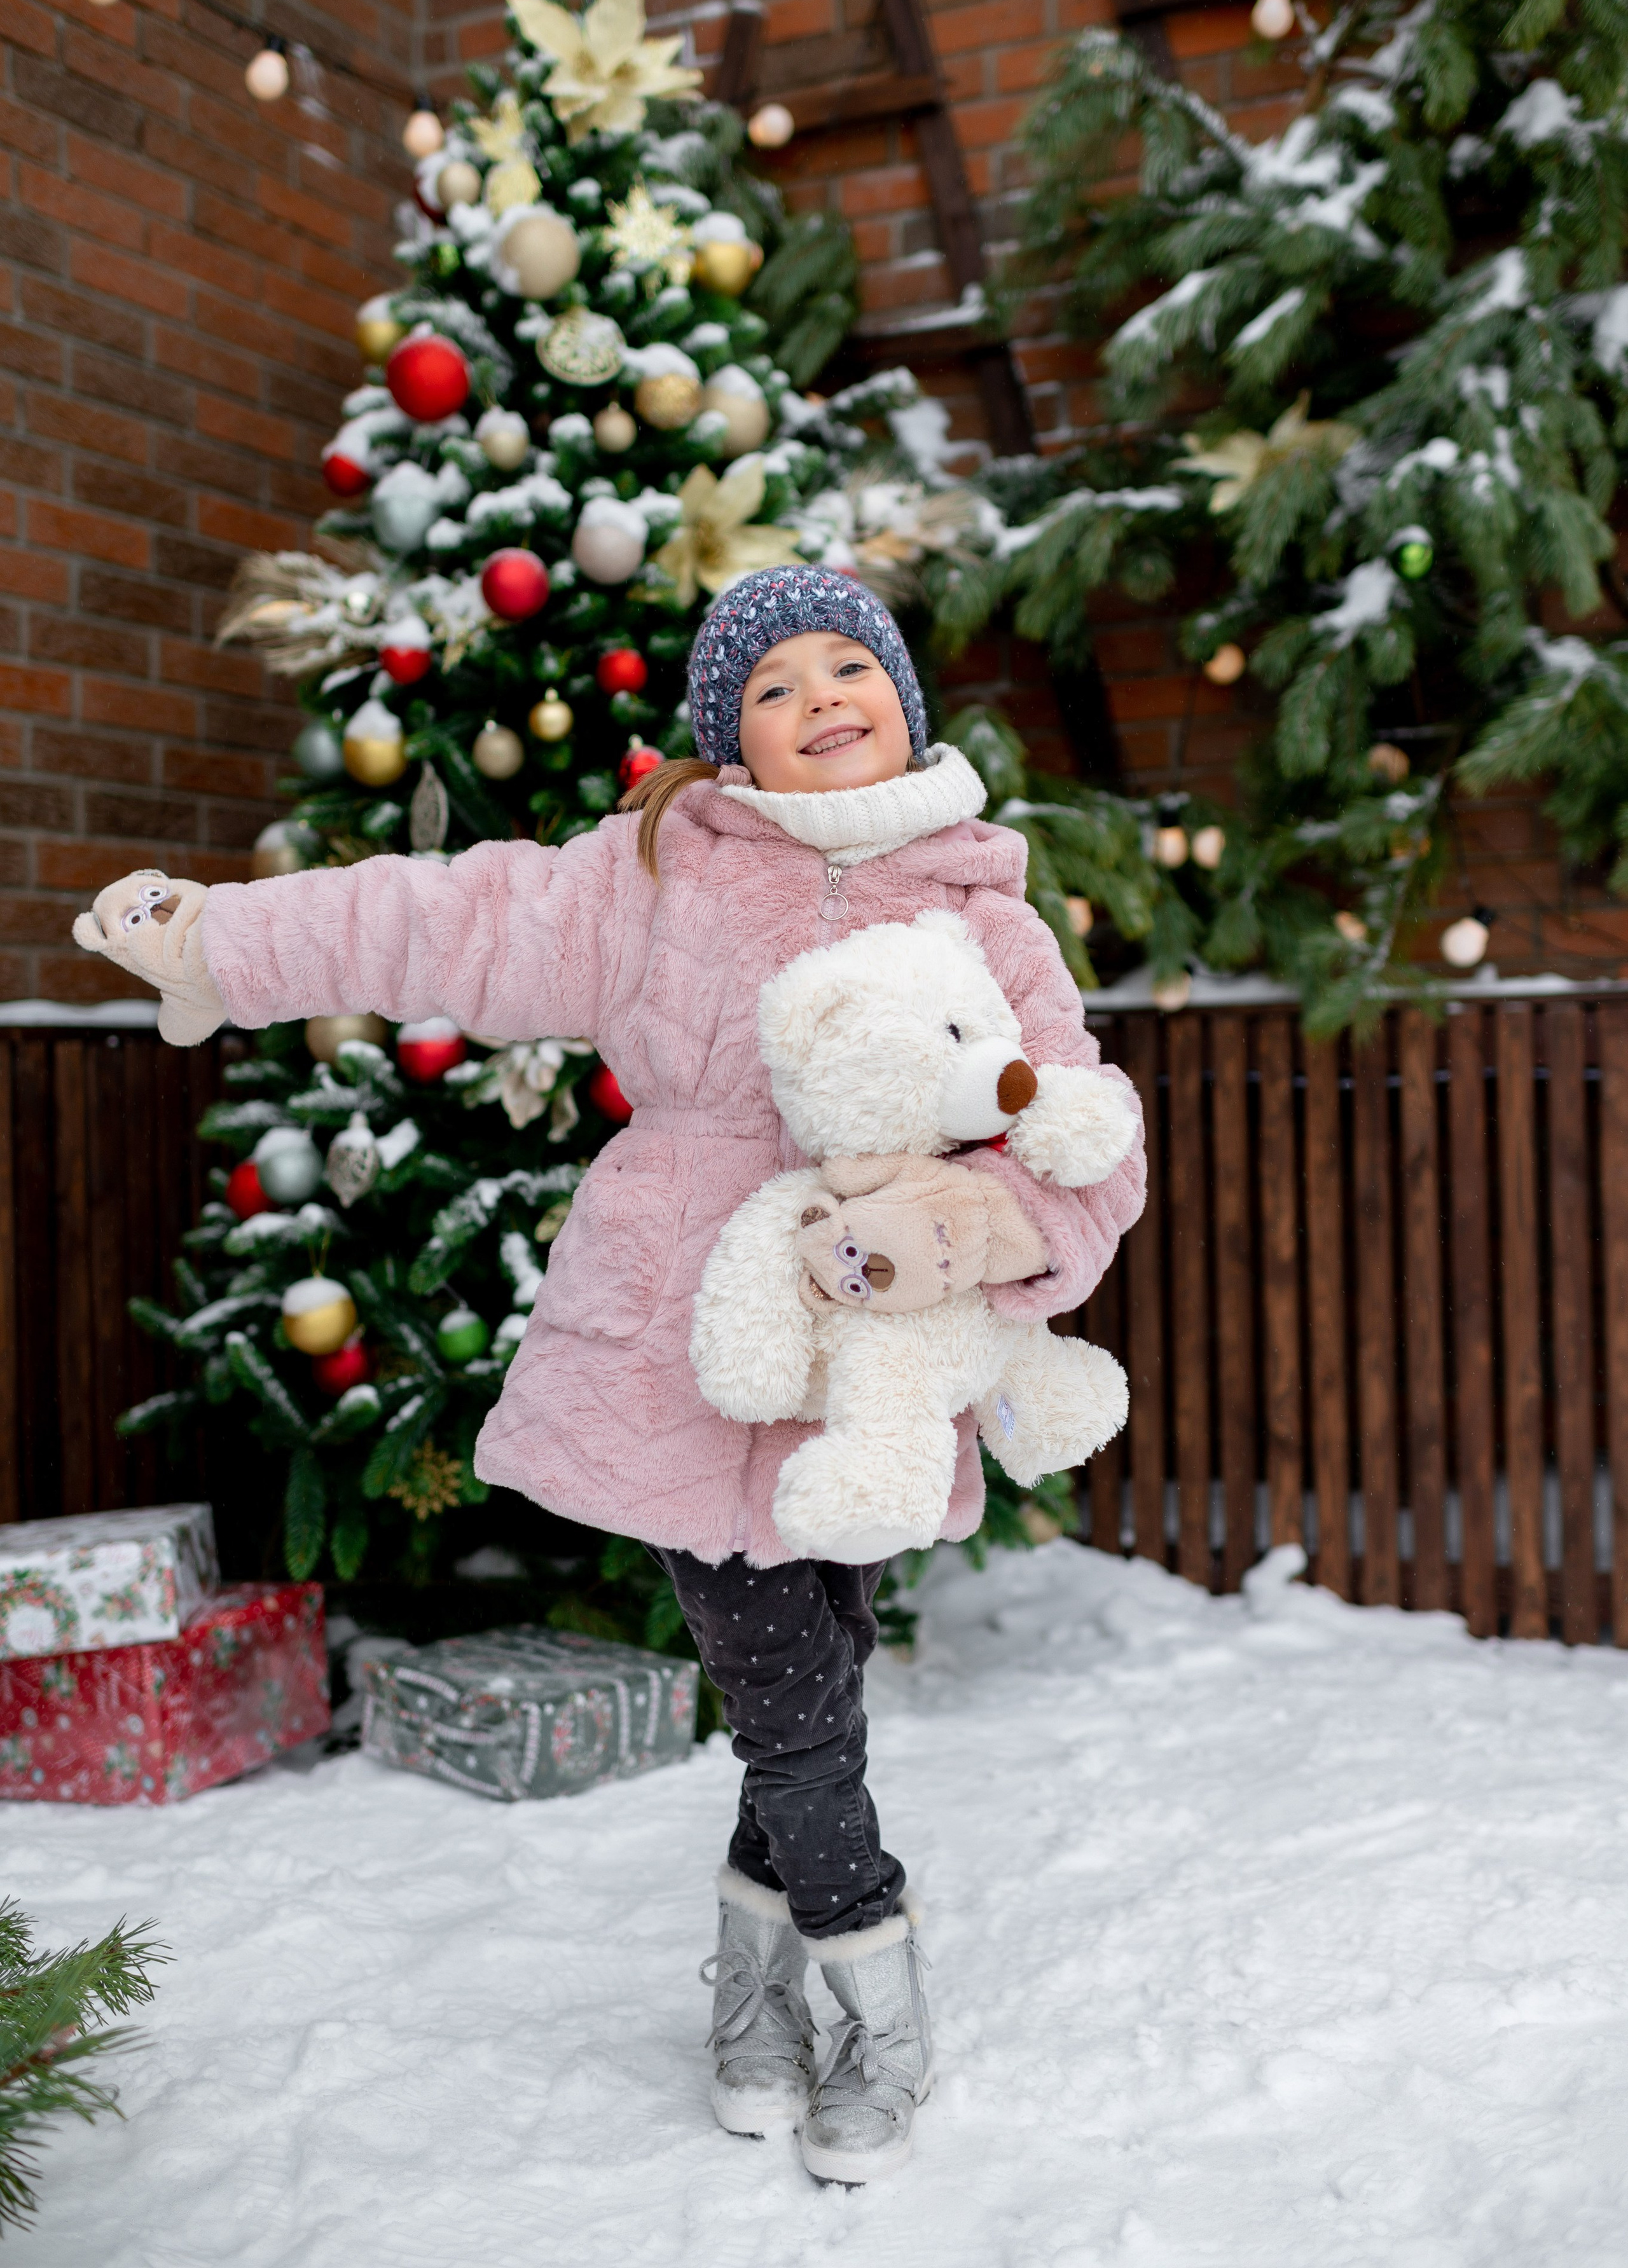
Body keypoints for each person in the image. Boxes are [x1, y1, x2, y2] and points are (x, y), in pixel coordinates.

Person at [74, 564, 1145, 2185]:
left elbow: (1083, 1147)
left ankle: (755, 1997)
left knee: (817, 1671)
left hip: (867, 1359)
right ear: (733, 741)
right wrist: (227, 940)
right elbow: (446, 914)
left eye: (845, 664)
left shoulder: (986, 917)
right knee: (791, 1694)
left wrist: (976, 1226)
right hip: (679, 1348)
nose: (818, 698)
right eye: (770, 687)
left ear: (903, 703)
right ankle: (877, 1997)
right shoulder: (655, 878)